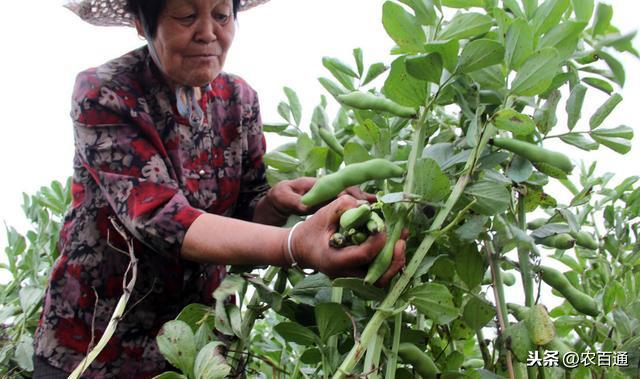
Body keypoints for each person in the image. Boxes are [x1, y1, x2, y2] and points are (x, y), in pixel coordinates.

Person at [33, 0, 407, 377]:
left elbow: (245, 217)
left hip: (200, 350)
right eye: (186, 16)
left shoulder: (238, 100)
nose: (208, 33)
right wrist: (294, 244)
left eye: (221, 15)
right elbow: (162, 218)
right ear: (141, 23)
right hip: (96, 347)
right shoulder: (106, 92)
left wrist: (275, 204)